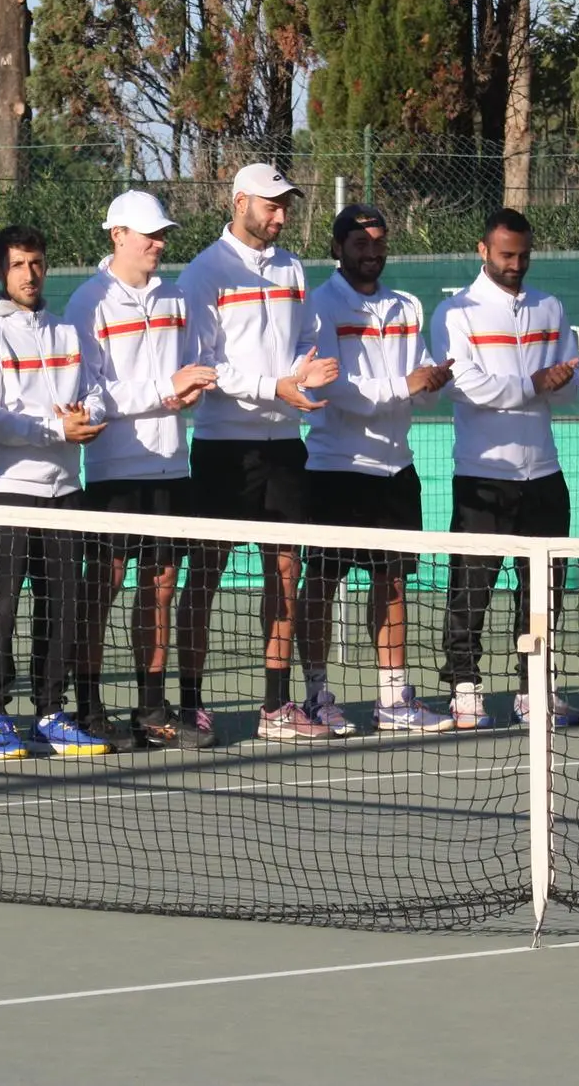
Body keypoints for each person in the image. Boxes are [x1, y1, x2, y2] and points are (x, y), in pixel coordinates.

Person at [176, 163, 340, 743]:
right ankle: (190, 702)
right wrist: (275, 385)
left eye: (285, 205)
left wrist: (303, 371)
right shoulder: (203, 273)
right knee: (205, 576)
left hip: (284, 445)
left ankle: (276, 705)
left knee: (286, 571)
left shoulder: (293, 267)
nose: (281, 215)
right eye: (271, 205)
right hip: (224, 447)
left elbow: (303, 338)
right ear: (240, 201)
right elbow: (203, 364)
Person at [64, 191, 217, 751]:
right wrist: (163, 391)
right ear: (117, 235)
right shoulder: (89, 302)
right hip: (113, 471)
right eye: (148, 234)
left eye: (161, 233)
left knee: (160, 587)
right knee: (101, 589)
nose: (158, 243)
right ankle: (88, 705)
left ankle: (151, 707)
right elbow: (91, 392)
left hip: (171, 468)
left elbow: (189, 370)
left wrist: (190, 391)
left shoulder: (177, 299)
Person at [296, 205, 453, 734]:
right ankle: (317, 695)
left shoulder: (406, 305)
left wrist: (432, 383)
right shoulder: (318, 306)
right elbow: (329, 387)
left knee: (391, 583)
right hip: (334, 470)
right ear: (337, 249)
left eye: (379, 243)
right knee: (319, 582)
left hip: (396, 470)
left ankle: (392, 699)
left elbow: (419, 381)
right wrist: (402, 387)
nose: (372, 253)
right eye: (361, 244)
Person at [430, 208, 579, 730]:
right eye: (506, 255)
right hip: (482, 474)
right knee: (470, 589)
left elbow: (571, 385)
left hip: (544, 474)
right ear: (482, 250)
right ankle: (465, 689)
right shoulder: (456, 313)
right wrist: (533, 385)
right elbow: (464, 386)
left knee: (542, 592)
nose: (516, 264)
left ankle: (531, 690)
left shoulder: (550, 306)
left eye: (523, 255)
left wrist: (560, 380)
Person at [0, 224, 110, 758]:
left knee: (62, 607)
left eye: (37, 263)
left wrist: (86, 415)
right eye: (20, 264)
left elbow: (96, 393)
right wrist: (55, 429)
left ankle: (50, 711)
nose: (30, 273)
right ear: (3, 271)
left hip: (66, 490)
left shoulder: (69, 332)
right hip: (8, 492)